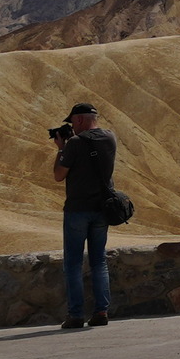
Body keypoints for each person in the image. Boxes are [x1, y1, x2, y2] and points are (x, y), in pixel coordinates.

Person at [50, 102, 117, 330]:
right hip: (102, 210)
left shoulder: (75, 144)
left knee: (73, 263)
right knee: (99, 262)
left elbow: (59, 175)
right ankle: (101, 311)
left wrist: (61, 147)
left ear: (78, 120)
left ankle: (76, 315)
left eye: (72, 123)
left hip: (77, 210)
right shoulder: (110, 138)